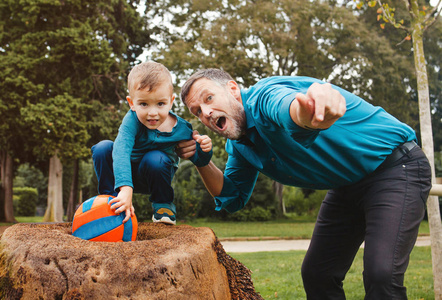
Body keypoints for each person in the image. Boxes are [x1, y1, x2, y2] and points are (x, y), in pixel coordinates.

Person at [175, 68, 432, 299]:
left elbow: (288, 111)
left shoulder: (264, 96)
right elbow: (231, 196)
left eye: (209, 98)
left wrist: (308, 114)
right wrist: (202, 161)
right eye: (197, 111)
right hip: (347, 185)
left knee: (381, 275)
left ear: (232, 89)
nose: (206, 113)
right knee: (318, 274)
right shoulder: (240, 146)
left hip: (396, 167)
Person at [91, 62, 212, 225]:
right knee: (102, 148)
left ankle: (163, 207)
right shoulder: (132, 119)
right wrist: (125, 188)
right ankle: (110, 202)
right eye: (144, 104)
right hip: (126, 175)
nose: (152, 112)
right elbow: (121, 149)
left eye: (160, 104)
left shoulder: (182, 129)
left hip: (155, 175)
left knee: (155, 157)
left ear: (171, 101)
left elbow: (198, 159)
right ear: (131, 103)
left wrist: (204, 150)